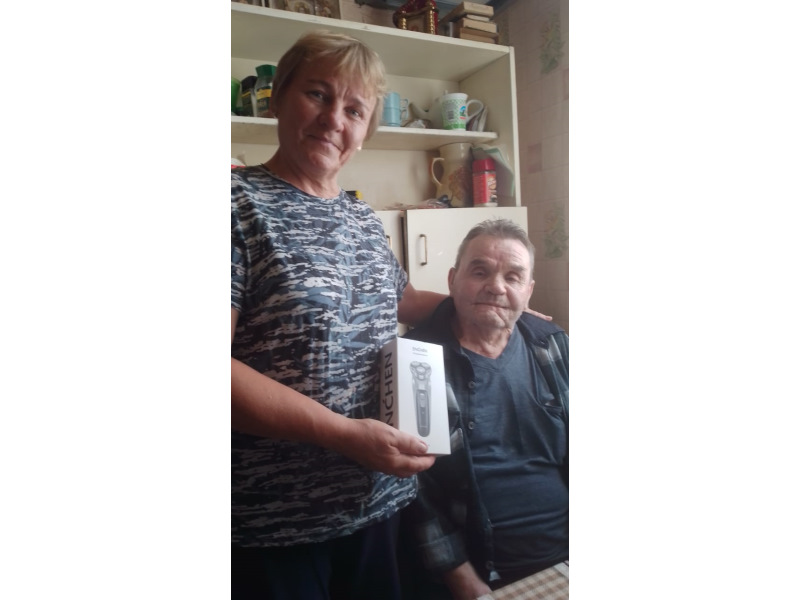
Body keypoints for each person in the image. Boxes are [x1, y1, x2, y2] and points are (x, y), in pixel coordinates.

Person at [231, 30, 447, 600]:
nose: (334, 120)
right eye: (317, 95)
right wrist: (344, 435)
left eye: (354, 110)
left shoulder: (361, 218)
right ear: (278, 98)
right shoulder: (234, 205)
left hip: (379, 502)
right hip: (275, 522)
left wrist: (494, 304)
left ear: (366, 130)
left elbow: (401, 299)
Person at [399, 219, 569, 600]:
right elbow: (415, 492)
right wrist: (466, 584)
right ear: (452, 280)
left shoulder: (554, 345)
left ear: (528, 291)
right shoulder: (416, 362)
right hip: (483, 572)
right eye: (480, 272)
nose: (496, 286)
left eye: (513, 277)